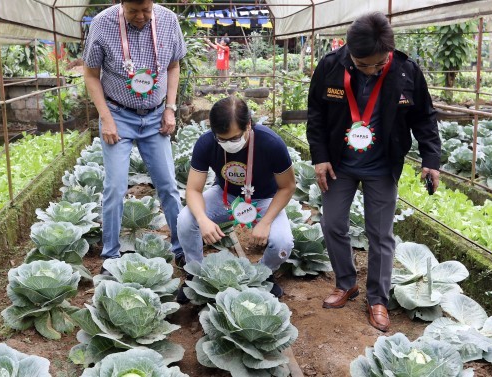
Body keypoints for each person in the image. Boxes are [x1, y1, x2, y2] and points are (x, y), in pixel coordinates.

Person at [306, 12, 440, 332]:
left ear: (388, 54)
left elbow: (425, 117)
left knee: (380, 235)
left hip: (382, 166)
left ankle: (377, 298)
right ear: (350, 51)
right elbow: (316, 115)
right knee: (333, 223)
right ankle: (346, 282)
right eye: (364, 64)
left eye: (379, 64)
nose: (371, 69)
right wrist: (320, 157)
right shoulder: (330, 66)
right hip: (340, 165)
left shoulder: (406, 71)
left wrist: (431, 159)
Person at [83, 0, 186, 269]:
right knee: (115, 188)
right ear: (122, 4)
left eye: (146, 10)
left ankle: (182, 248)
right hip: (118, 115)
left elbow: (173, 66)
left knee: (169, 187)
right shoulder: (102, 24)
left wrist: (170, 108)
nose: (140, 17)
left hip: (155, 117)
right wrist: (106, 118)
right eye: (133, 11)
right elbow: (91, 74)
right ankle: (110, 254)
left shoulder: (168, 20)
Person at [176, 96, 296, 303]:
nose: (228, 144)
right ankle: (195, 274)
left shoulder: (271, 143)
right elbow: (193, 190)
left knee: (282, 243)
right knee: (187, 220)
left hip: (265, 199)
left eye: (234, 138)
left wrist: (266, 222)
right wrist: (203, 220)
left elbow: (288, 186)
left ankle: (263, 275)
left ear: (248, 124)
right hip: (226, 196)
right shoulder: (206, 143)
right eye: (221, 139)